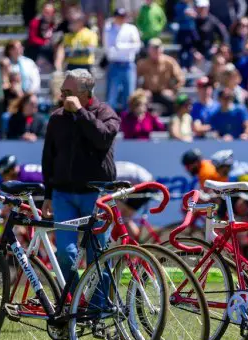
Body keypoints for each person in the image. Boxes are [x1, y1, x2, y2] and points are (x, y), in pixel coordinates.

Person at [41, 69, 120, 297]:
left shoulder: (105, 112)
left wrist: (81, 113)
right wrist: (48, 193)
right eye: (62, 91)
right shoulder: (57, 118)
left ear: (85, 94)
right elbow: (49, 157)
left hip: (96, 195)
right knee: (65, 253)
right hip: (63, 194)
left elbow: (102, 139)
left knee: (98, 254)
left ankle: (99, 308)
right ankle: (73, 303)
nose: (63, 97)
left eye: (68, 92)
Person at [104, 8, 142, 113]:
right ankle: (110, 123)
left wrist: (120, 47)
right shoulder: (108, 28)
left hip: (128, 65)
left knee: (129, 96)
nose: (121, 19)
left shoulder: (131, 28)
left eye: (123, 16)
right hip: (114, 65)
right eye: (119, 16)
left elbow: (137, 47)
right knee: (112, 97)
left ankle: (127, 123)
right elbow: (109, 50)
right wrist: (128, 48)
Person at [136, 37, 186, 116]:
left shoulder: (169, 62)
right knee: (141, 102)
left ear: (162, 49)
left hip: (164, 92)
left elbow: (180, 78)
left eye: (158, 48)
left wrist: (173, 91)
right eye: (153, 48)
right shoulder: (142, 63)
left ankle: (169, 124)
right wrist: (141, 91)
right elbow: (135, 79)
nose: (156, 50)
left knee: (174, 104)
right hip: (149, 93)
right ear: (149, 50)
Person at [114, 160, 156, 239]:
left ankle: (135, 243)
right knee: (119, 212)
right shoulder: (111, 167)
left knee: (123, 217)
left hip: (146, 186)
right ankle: (133, 240)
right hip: (147, 183)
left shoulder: (109, 174)